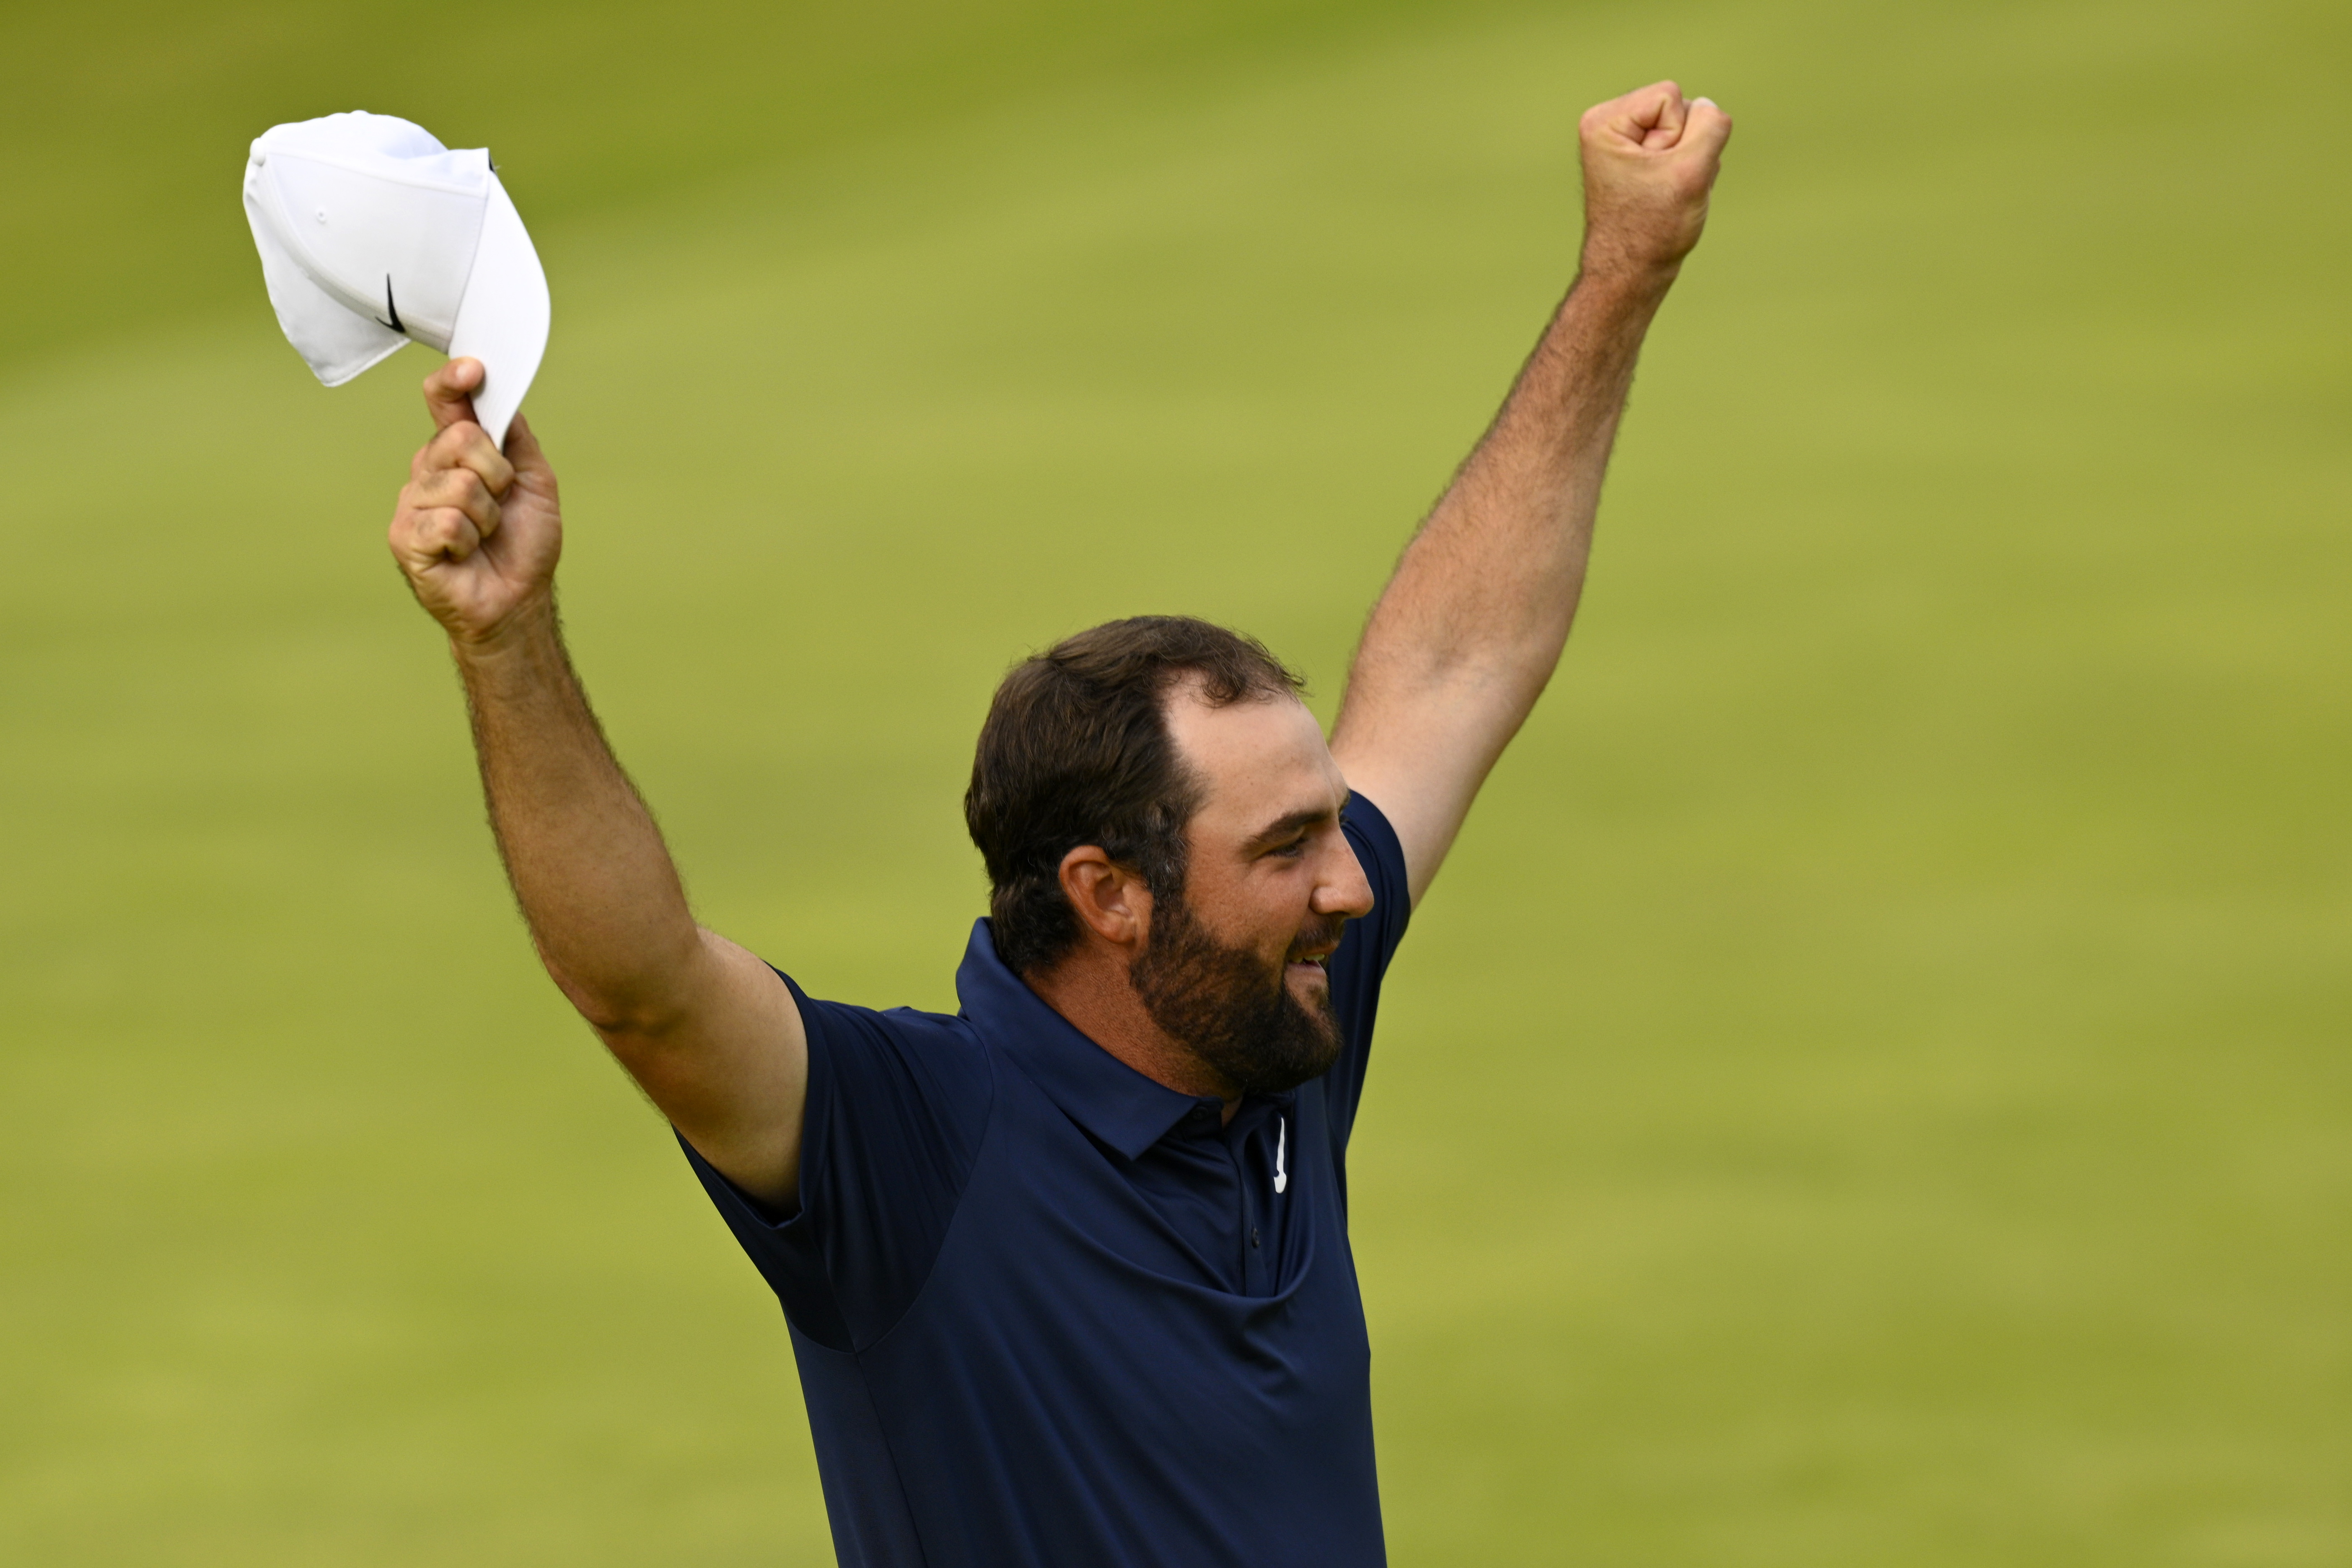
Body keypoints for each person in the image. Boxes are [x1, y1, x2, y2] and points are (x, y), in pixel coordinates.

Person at [386, 80, 1729, 1568]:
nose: (1351, 888)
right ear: (1110, 893)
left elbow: (1453, 667)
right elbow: (642, 986)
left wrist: (1623, 271)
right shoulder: (909, 1145)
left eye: (1329, 829)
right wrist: (506, 640)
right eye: (1284, 848)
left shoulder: (1270, 1028)